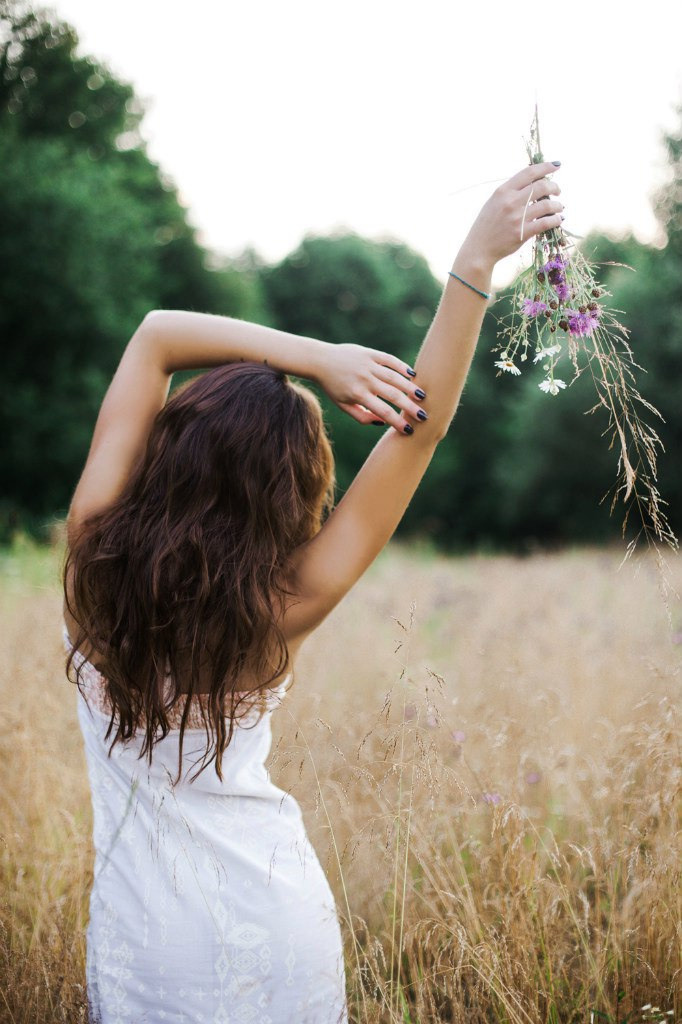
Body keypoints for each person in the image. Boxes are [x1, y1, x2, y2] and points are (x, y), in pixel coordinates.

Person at [62, 160, 563, 1024]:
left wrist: (310, 358)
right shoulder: (281, 605)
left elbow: (154, 336)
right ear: (295, 493)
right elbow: (423, 429)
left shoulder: (94, 556)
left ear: (171, 448)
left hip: (148, 945)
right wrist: (474, 265)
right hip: (280, 921)